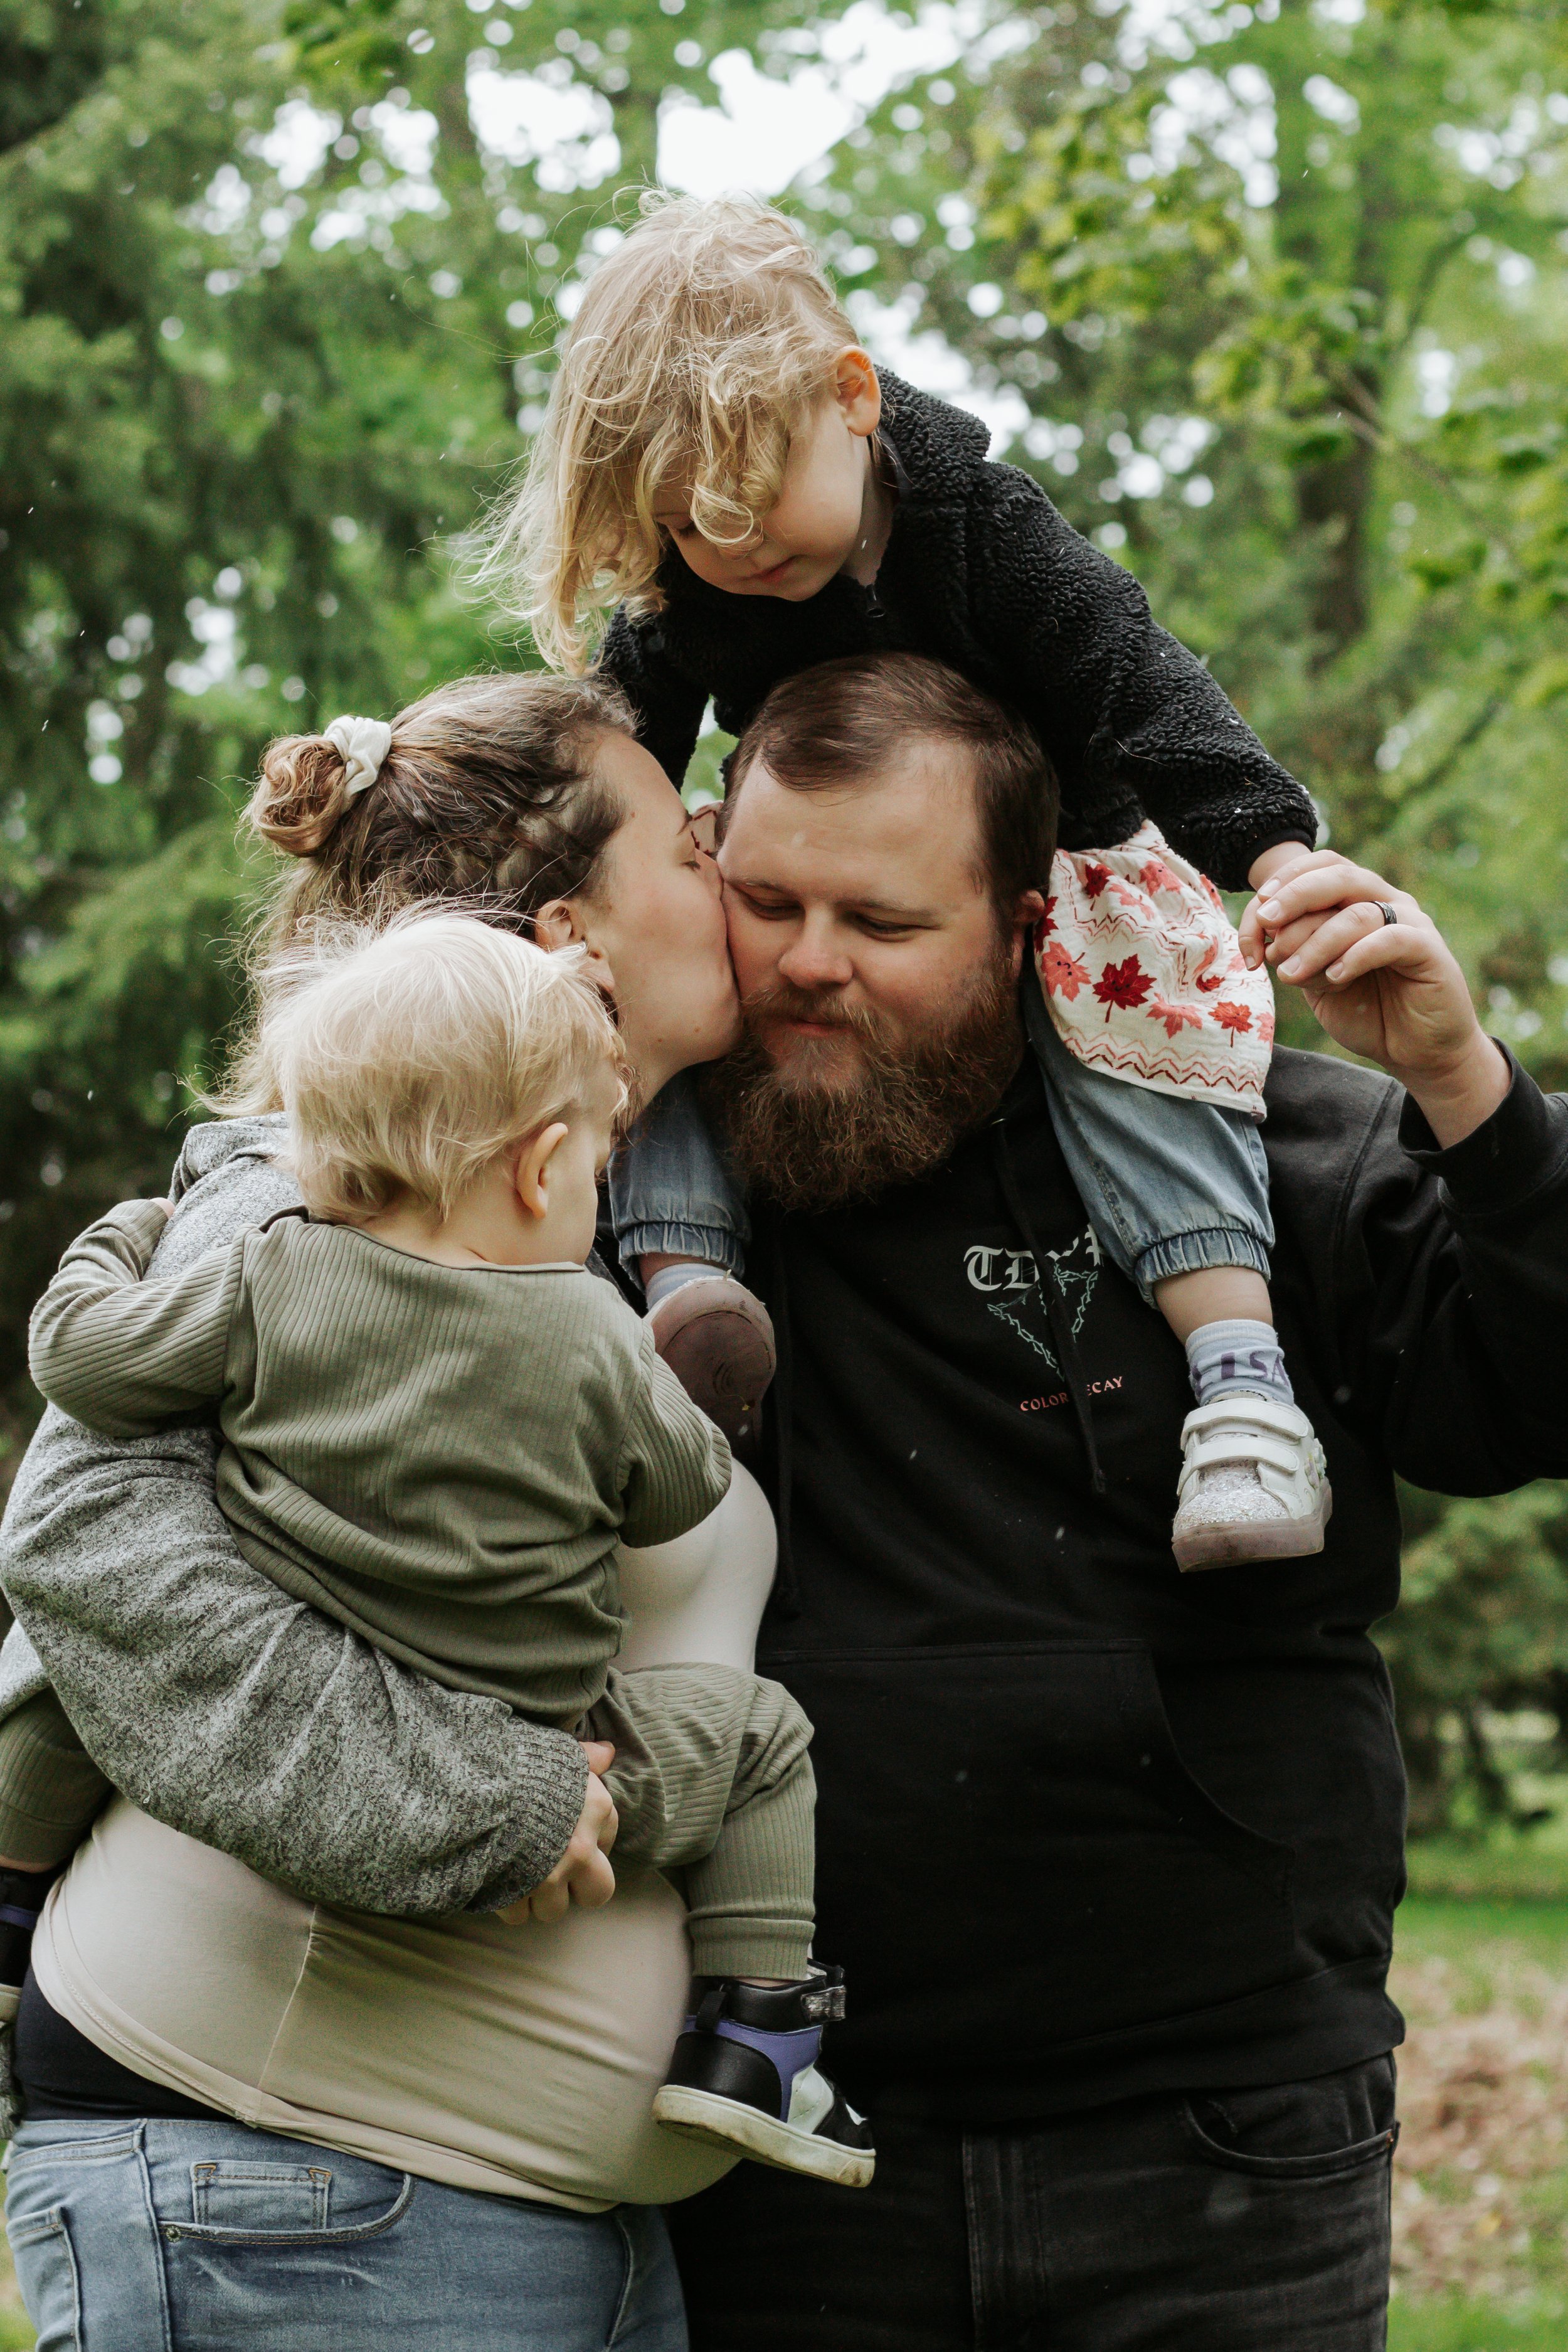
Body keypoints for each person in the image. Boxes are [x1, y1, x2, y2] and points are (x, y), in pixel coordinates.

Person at [647, 651, 1568, 2350]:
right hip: (779, 2120)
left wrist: (1463, 1087)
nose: (803, 962)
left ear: (1023, 922)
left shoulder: (1256, 1135)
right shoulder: (647, 1189)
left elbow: (1528, 1390)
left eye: (879, 920)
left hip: (1220, 2126)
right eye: (762, 897)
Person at [0, 668, 802, 2351]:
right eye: (681, 837)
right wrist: (473, 1794)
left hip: (467, 2208)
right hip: (288, 2180)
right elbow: (88, 1546)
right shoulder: (313, 1192)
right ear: (574, 933)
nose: (718, 865)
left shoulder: (588, 1220)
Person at [490, 190, 1328, 1573]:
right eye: (692, 535)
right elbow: (613, 764)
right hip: (814, 864)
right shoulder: (693, 588)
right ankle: (686, 1296)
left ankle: (1237, 1385)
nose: (738, 557)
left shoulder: (981, 530)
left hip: (1054, 867)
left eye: (756, 507)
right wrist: (541, 903)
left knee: (1140, 1064)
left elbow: (1135, 677)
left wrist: (1266, 847)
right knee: (683, 990)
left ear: (853, 398)